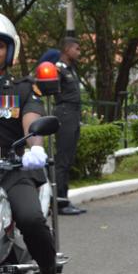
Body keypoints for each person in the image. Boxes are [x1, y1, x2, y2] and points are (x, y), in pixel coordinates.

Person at [0, 14, 56, 274]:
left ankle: (47, 267)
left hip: (12, 169)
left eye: (0, 45)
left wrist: (36, 147)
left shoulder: (21, 89)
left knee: (31, 219)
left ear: (10, 51)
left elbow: (32, 119)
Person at [54, 37, 86, 215]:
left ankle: (64, 199)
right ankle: (59, 203)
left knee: (68, 159)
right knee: (63, 160)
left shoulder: (71, 69)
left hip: (73, 114)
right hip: (65, 113)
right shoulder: (58, 68)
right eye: (77, 49)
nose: (79, 53)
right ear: (67, 49)